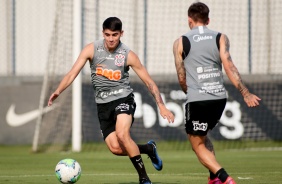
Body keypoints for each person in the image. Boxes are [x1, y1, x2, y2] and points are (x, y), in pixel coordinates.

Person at [48, 17, 174, 184]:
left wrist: (161, 105)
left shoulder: (128, 55)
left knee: (123, 134)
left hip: (123, 99)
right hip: (103, 105)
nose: (111, 39)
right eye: (107, 35)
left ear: (121, 33)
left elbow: (149, 82)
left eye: (115, 34)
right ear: (103, 33)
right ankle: (149, 149)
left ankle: (144, 178)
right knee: (115, 148)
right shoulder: (91, 49)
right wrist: (58, 90)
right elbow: (72, 73)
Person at [173, 2, 261, 184]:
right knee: (204, 139)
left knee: (197, 145)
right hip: (219, 98)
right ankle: (213, 178)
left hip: (197, 99)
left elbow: (181, 77)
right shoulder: (221, 37)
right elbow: (229, 66)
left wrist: (189, 93)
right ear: (208, 20)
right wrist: (245, 93)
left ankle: (224, 177)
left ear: (189, 20)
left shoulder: (180, 42)